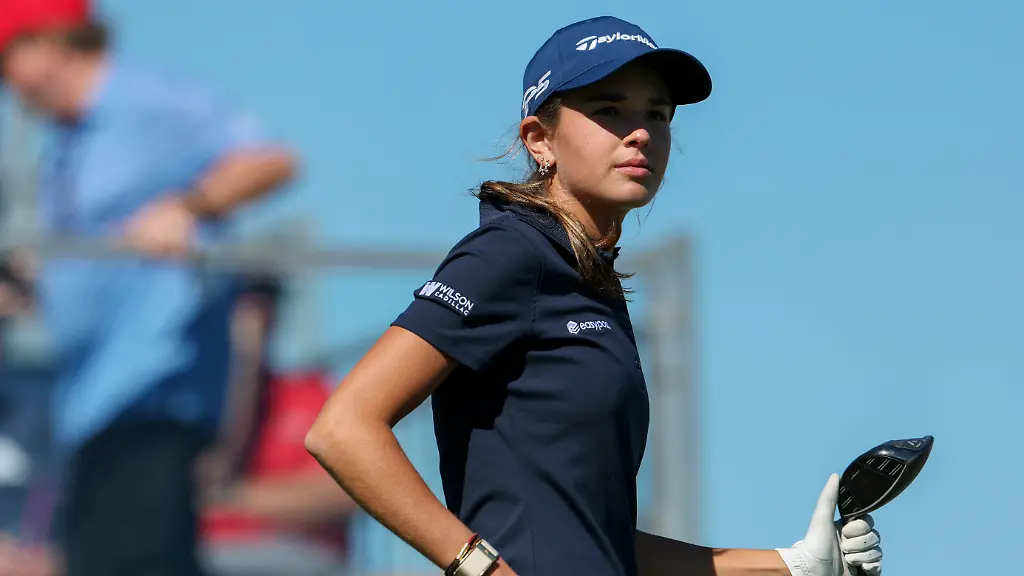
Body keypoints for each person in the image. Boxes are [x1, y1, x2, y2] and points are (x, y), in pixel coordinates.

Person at [306, 15, 883, 576]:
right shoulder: (510, 253)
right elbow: (344, 428)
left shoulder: (586, 278)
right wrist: (477, 567)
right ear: (540, 140)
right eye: (609, 110)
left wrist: (796, 566)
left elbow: (593, 540)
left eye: (657, 114)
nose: (641, 132)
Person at [0, 1, 298, 575]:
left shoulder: (145, 103)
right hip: (91, 414)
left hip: (152, 403)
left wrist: (188, 207)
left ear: (48, 45)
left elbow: (271, 161)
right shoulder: (66, 143)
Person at [198, 276, 356, 576]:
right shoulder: (190, 403)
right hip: (210, 557)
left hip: (300, 559)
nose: (256, 318)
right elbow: (210, 470)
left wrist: (231, 498)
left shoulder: (310, 392)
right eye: (243, 303)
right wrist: (241, 368)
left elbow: (346, 492)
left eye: (266, 303)